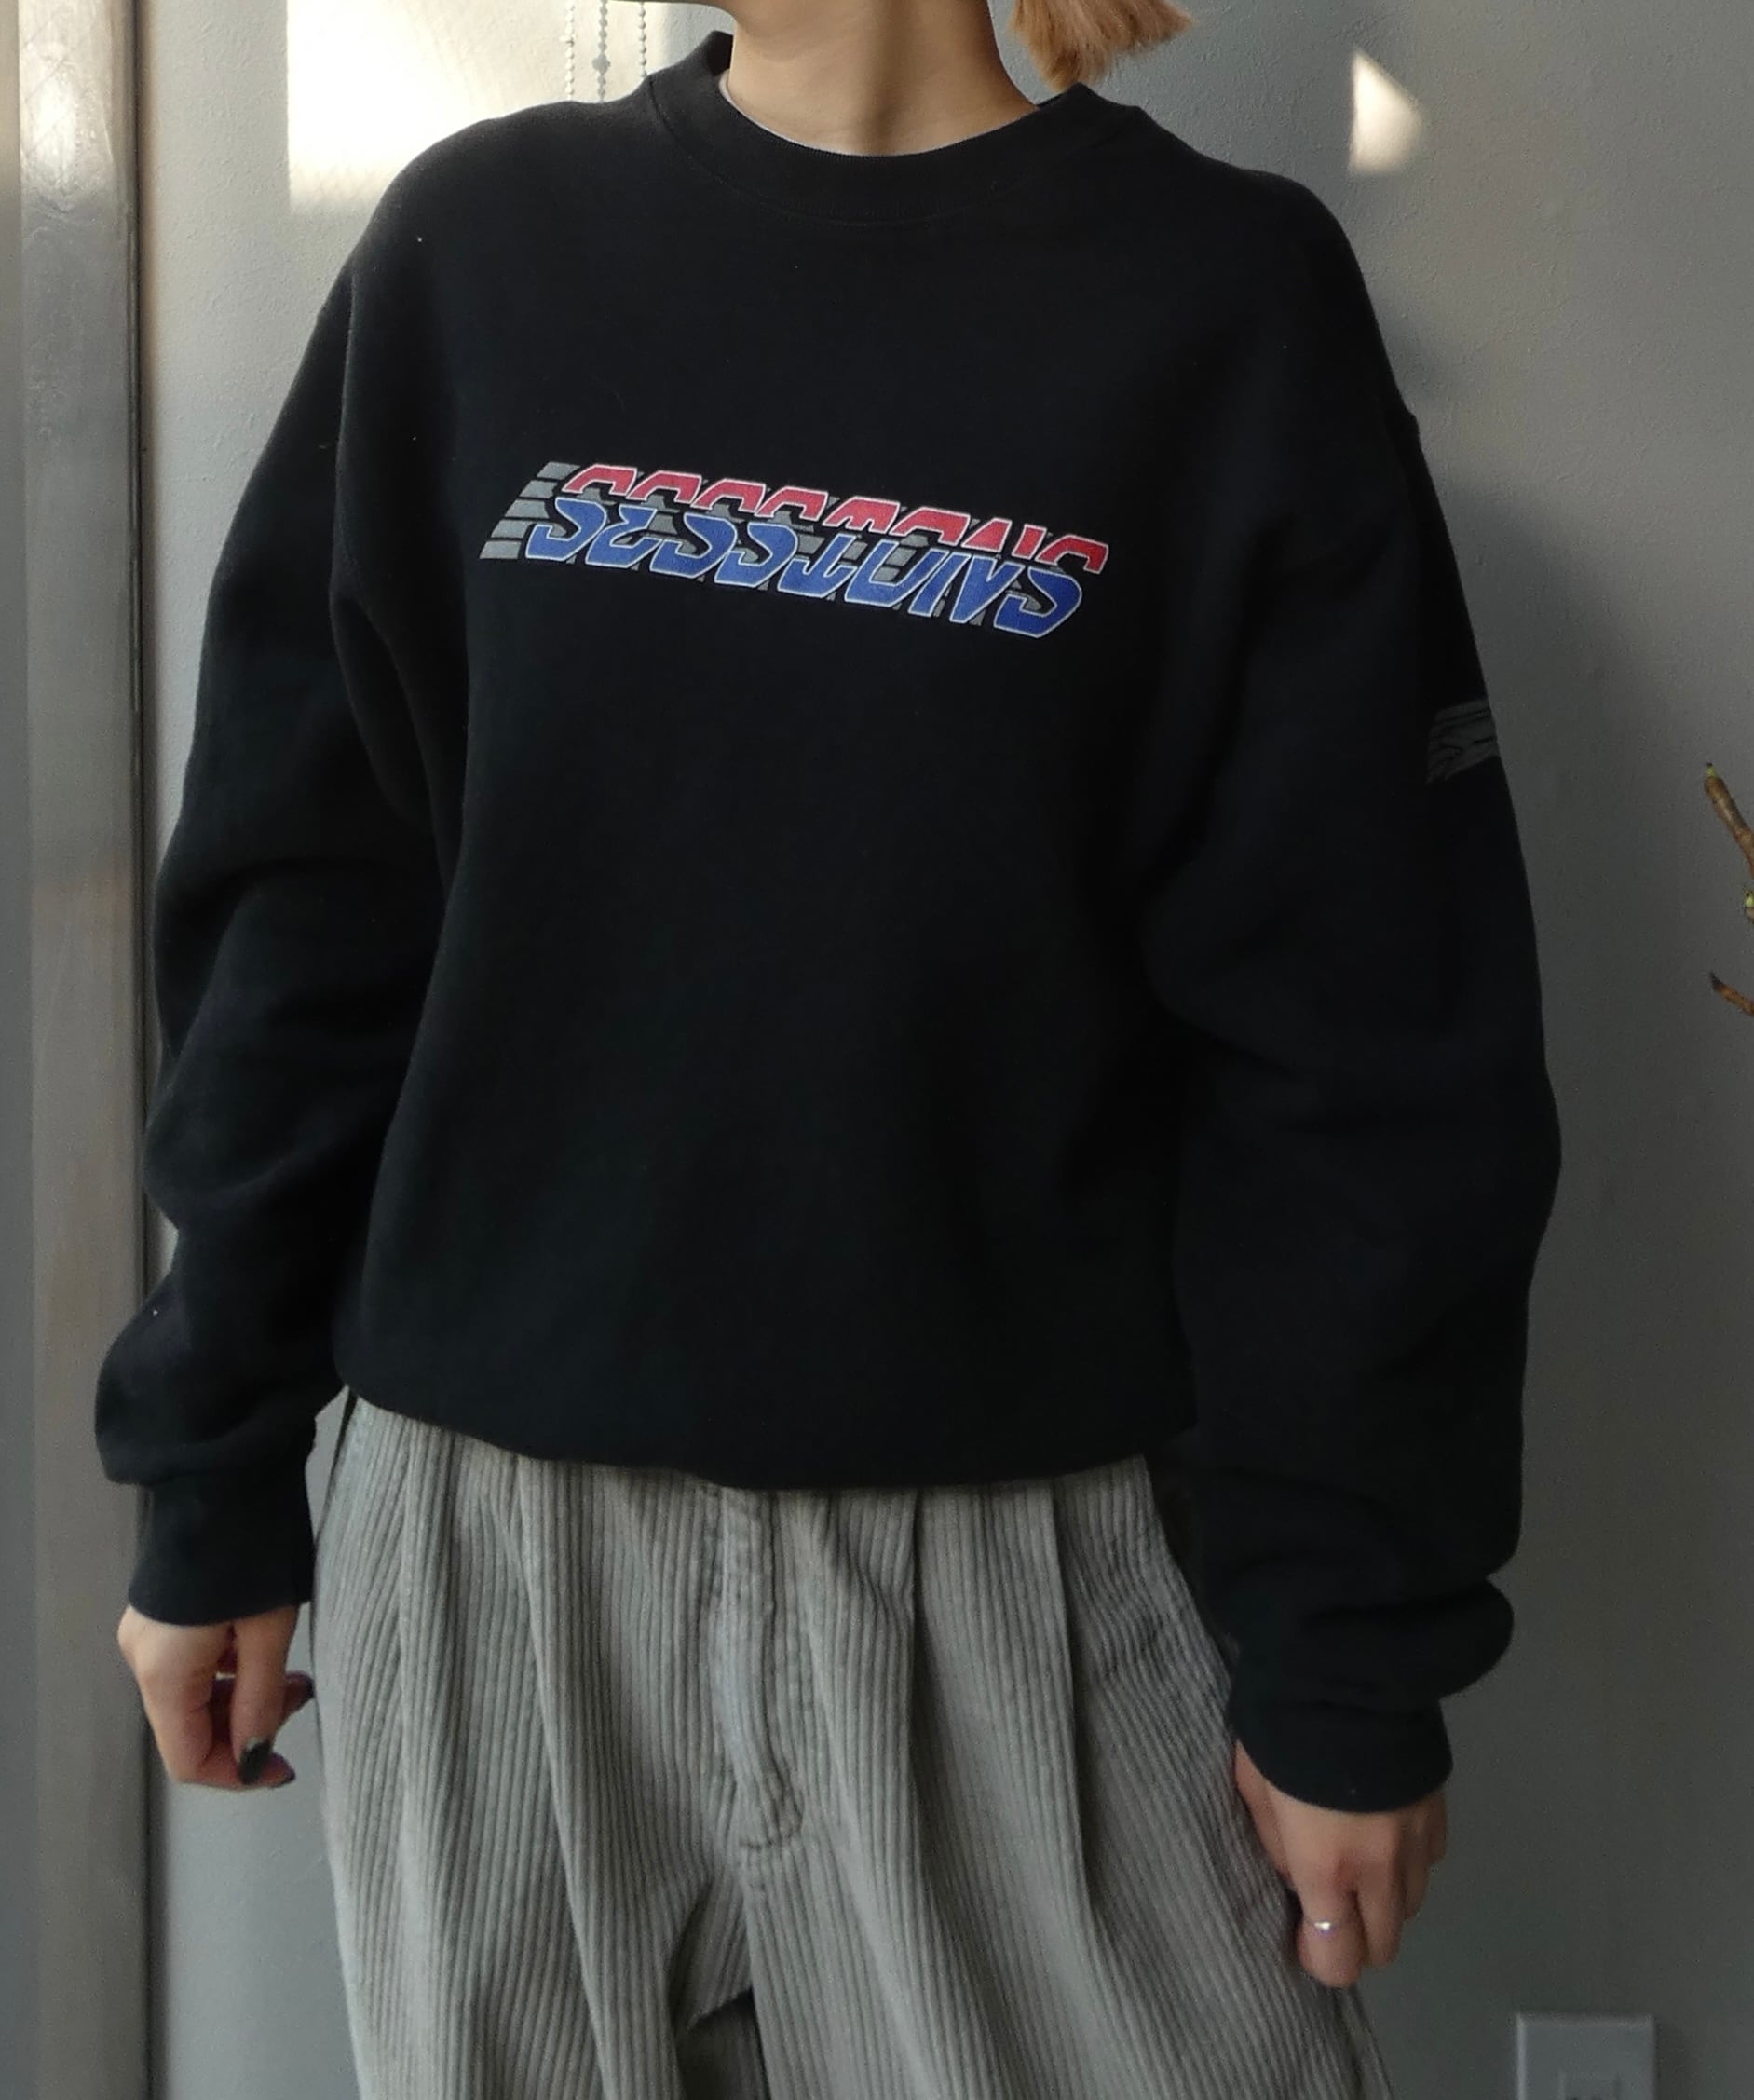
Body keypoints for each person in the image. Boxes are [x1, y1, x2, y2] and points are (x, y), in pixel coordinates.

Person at [99, 2, 1563, 2094]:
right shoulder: (477, 252)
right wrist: (214, 1465)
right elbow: (303, 918)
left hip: (1026, 1578)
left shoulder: (1224, 304)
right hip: (501, 1576)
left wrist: (1351, 1646)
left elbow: (1364, 1046)